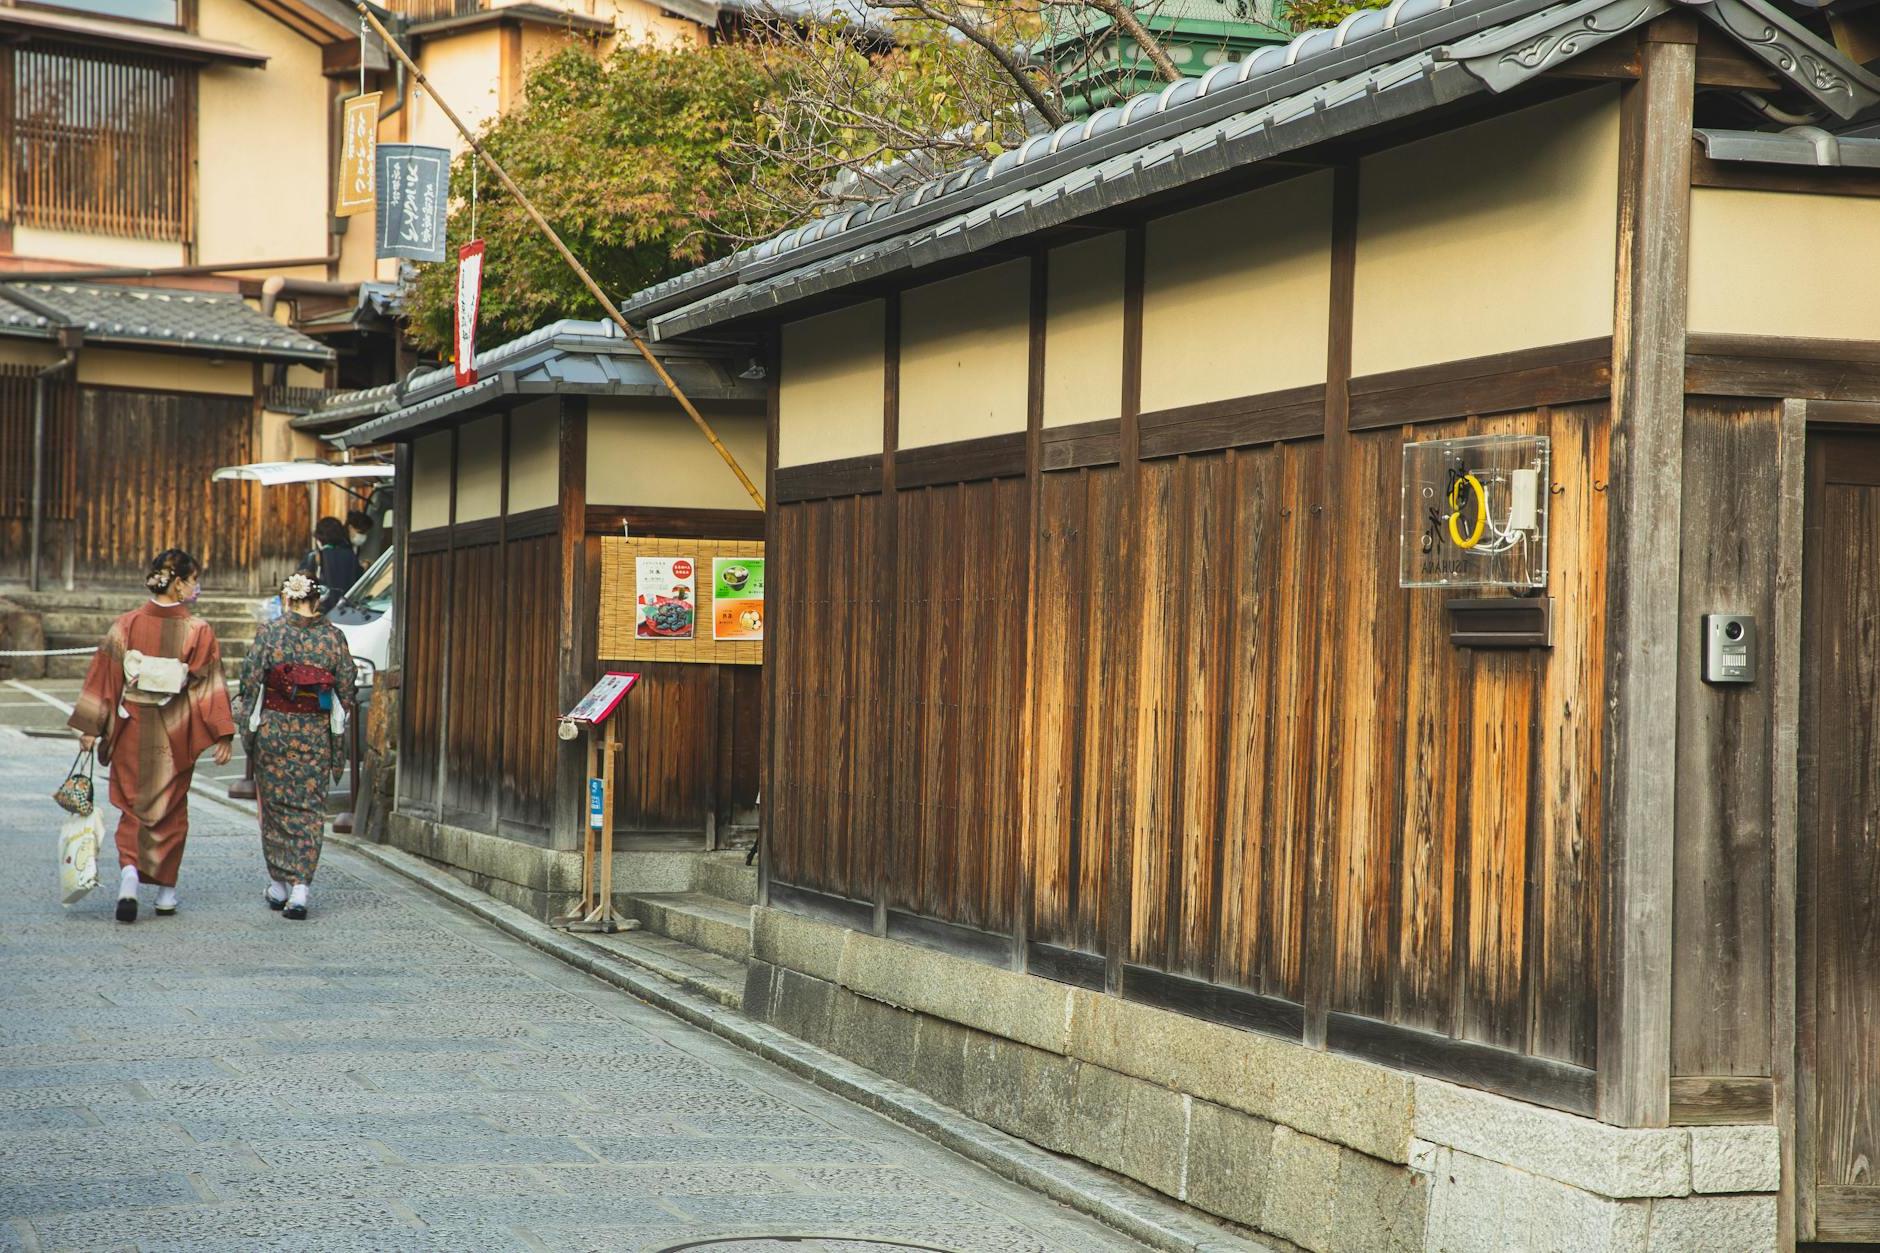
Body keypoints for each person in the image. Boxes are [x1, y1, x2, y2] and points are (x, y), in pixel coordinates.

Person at [68, 549, 236, 923]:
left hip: (131, 725)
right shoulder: (198, 630)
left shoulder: (125, 625)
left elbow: (105, 678)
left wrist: (92, 729)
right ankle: (165, 892)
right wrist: (223, 733)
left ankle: (129, 878)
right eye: (193, 581)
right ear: (178, 583)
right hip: (174, 729)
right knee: (172, 809)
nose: (196, 587)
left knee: (132, 807)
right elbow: (209, 683)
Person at [236, 571, 356, 921]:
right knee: (309, 807)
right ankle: (301, 887)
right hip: (314, 733)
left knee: (275, 807)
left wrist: (248, 724)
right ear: (316, 601)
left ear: (287, 599)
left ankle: (279, 884)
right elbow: (346, 690)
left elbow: (250, 682)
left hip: (275, 729)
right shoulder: (333, 637)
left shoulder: (270, 633)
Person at [301, 516, 362, 614]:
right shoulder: (350, 555)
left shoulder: (316, 556)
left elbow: (300, 584)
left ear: (319, 536)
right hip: (347, 611)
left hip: (323, 612)